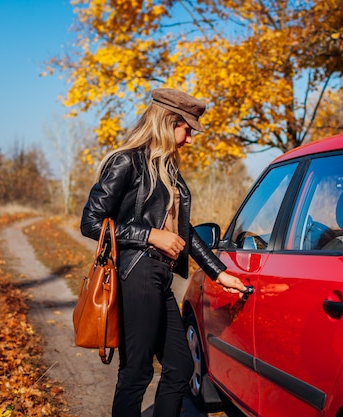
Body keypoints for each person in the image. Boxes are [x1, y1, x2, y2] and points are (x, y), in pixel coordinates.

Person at [80, 88, 247, 417]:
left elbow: (185, 231)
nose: (189, 139)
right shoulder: (126, 162)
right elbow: (91, 222)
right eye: (187, 130)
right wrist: (150, 235)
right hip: (136, 274)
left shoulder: (168, 172)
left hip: (158, 276)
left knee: (180, 367)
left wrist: (219, 272)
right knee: (136, 372)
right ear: (168, 123)